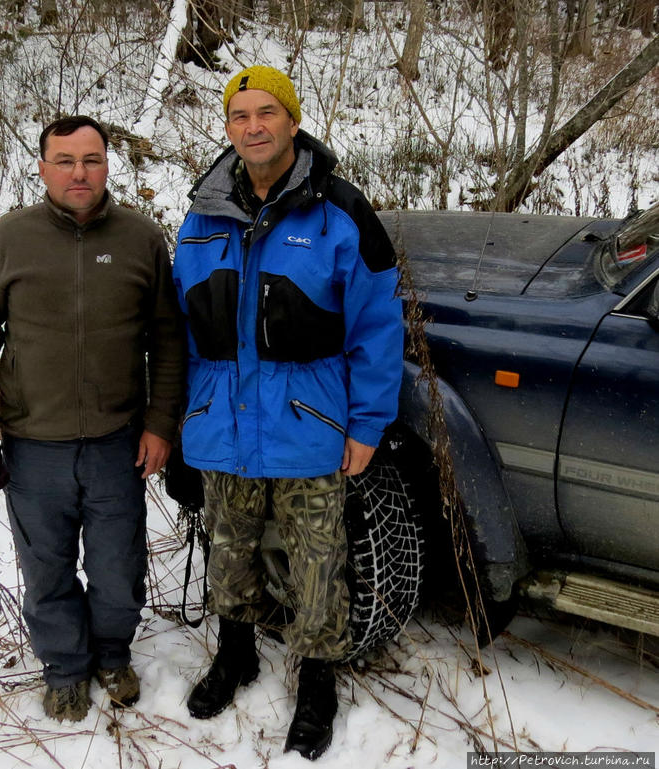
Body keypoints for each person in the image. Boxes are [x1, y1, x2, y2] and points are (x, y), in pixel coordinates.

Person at [172, 66, 403, 760]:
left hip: (308, 422)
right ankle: (235, 652)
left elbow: (377, 327)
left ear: (291, 122)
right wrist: (183, 422)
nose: (252, 126)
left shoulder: (339, 212)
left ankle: (319, 681)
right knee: (229, 549)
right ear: (228, 126)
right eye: (239, 115)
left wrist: (367, 424)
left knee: (316, 563)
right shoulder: (201, 213)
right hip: (222, 421)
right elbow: (182, 328)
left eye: (266, 112)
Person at [0, 115, 184, 723]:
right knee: (46, 568)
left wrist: (161, 423)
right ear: (42, 167)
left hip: (117, 443)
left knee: (118, 567)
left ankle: (111, 655)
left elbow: (167, 339)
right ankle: (64, 670)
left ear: (108, 165)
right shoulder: (9, 238)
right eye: (65, 160)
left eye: (91, 160)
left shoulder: (141, 238)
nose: (79, 172)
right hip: (33, 446)